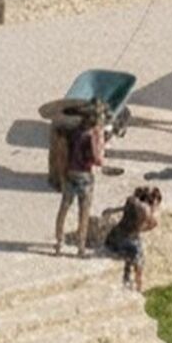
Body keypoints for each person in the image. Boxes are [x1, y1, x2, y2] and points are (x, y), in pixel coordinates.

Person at [54, 104, 105, 257]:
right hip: (84, 175)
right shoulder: (91, 137)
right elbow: (96, 159)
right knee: (84, 212)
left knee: (64, 208)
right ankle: (80, 247)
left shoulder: (73, 133)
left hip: (70, 173)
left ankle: (59, 242)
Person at [105, 185, 162, 292]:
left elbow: (124, 208)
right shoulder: (147, 211)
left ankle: (130, 277)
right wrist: (153, 210)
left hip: (113, 236)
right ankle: (138, 285)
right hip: (128, 242)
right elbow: (148, 226)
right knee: (139, 256)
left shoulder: (131, 201)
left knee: (133, 246)